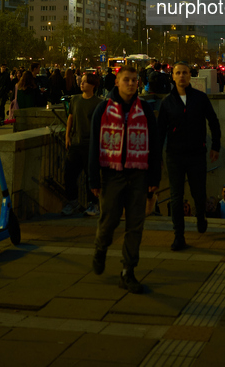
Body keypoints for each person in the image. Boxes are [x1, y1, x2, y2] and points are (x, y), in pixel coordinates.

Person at [89, 65, 161, 294]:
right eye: (126, 80)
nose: (131, 83)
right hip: (112, 173)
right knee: (109, 220)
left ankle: (128, 272)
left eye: (134, 80)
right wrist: (93, 179)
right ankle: (101, 248)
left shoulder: (146, 110)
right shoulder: (103, 109)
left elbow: (155, 146)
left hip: (138, 173)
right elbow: (93, 145)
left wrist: (154, 178)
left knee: (135, 225)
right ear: (117, 82)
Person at [157, 61, 221, 251]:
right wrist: (157, 156)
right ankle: (179, 236)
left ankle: (201, 216)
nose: (182, 76)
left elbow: (214, 121)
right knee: (176, 197)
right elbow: (160, 131)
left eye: (185, 72)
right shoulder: (167, 102)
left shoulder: (200, 98)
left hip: (197, 154)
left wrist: (215, 145)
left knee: (198, 193)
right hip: (174, 156)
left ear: (189, 76)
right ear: (173, 76)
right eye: (178, 73)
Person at [63, 71, 103, 217]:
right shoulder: (75, 100)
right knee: (69, 174)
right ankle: (72, 202)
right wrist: (67, 136)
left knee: (90, 176)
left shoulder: (99, 103)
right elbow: (70, 118)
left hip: (91, 145)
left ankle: (93, 204)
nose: (82, 83)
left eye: (85, 81)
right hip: (75, 143)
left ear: (92, 85)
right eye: (82, 81)